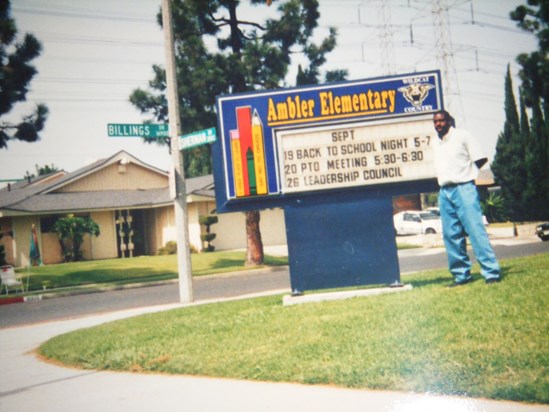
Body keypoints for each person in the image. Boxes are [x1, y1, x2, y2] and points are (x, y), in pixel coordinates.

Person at [432, 110, 501, 287]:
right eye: (435, 122)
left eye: (441, 121)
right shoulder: (435, 141)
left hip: (464, 187)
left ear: (449, 121)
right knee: (451, 235)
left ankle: (491, 272)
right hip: (444, 191)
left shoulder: (463, 136)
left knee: (475, 230)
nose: (438, 124)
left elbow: (481, 159)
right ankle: (461, 275)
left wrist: (470, 174)